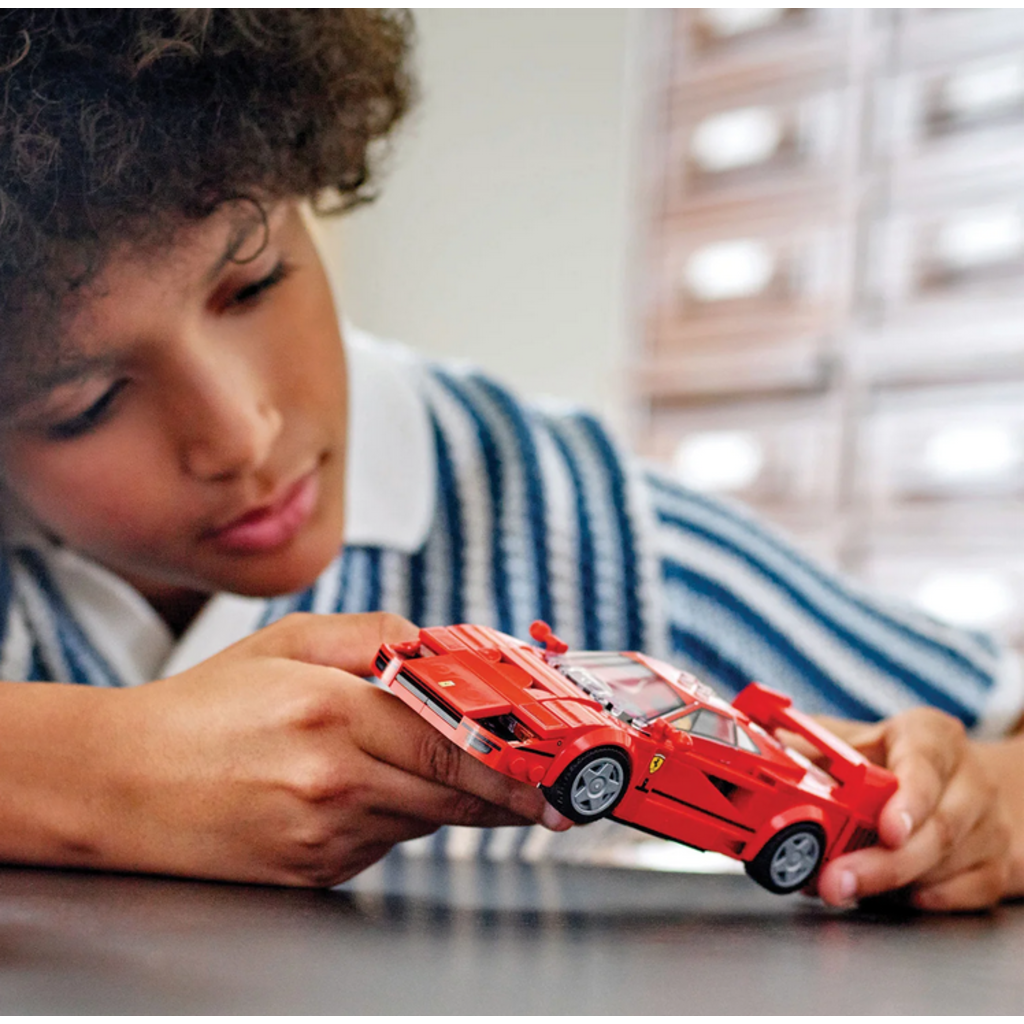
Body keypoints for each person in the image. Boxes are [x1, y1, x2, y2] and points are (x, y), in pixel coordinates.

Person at [0, 8, 1018, 909]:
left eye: (255, 282)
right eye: (82, 401)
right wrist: (99, 771)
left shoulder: (581, 526)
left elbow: (996, 742)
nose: (242, 434)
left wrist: (983, 811)